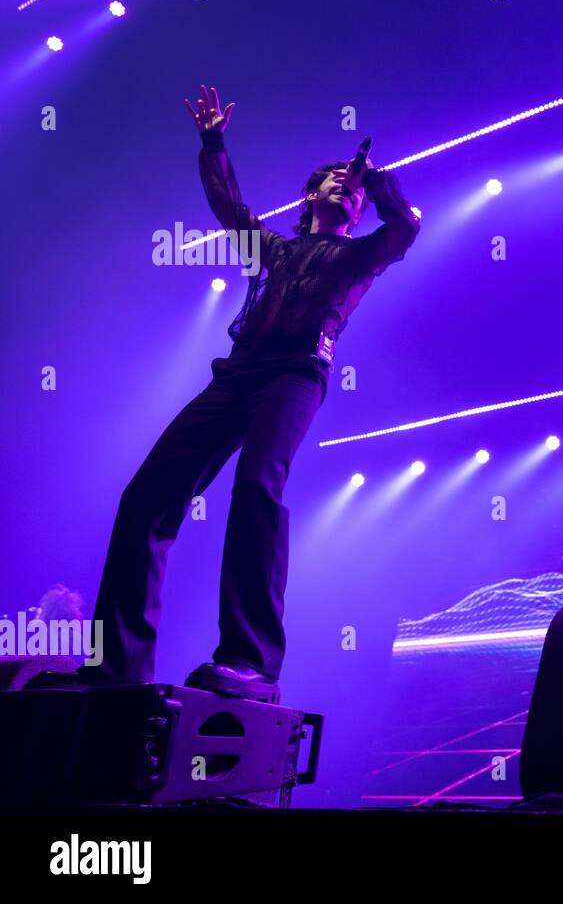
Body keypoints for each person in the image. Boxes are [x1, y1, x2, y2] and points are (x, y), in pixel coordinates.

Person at [30, 85, 419, 703]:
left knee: (257, 486)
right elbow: (228, 205)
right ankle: (117, 668)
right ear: (310, 196)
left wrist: (380, 186)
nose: (346, 185)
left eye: (353, 184)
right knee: (144, 498)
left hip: (296, 374)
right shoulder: (276, 248)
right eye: (335, 179)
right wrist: (212, 142)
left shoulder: (363, 254)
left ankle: (249, 661)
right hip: (238, 372)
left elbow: (405, 227)